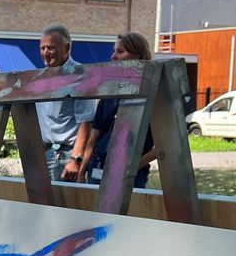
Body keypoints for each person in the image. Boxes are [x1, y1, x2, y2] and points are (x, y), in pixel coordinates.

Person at [82, 33, 159, 188]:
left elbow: (164, 144)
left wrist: (135, 166)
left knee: (126, 211)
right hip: (98, 164)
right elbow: (94, 136)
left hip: (130, 168)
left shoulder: (152, 93)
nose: (113, 56)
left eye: (120, 51)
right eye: (114, 50)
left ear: (138, 55)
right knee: (96, 212)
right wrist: (82, 170)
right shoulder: (110, 90)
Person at [35, 25, 97, 181]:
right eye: (42, 48)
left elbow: (86, 121)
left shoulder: (79, 75)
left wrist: (75, 160)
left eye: (51, 48)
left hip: (66, 156)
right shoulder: (39, 77)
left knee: (64, 204)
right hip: (43, 154)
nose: (45, 53)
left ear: (67, 48)